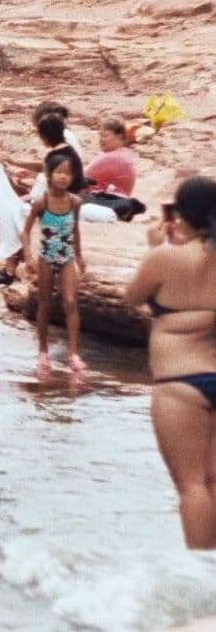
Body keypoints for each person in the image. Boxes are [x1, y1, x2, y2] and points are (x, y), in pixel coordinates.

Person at [126, 176, 216, 548]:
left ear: (180, 214)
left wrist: (157, 246)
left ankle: (202, 584)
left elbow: (132, 297)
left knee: (192, 486)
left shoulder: (166, 257)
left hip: (180, 383)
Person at [22, 149, 87, 379]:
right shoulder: (42, 202)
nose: (63, 177)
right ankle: (42, 351)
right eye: (59, 172)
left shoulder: (75, 202)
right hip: (46, 257)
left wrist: (79, 256)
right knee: (45, 303)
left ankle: (74, 354)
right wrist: (28, 257)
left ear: (73, 178)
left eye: (68, 174)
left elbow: (76, 230)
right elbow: (26, 230)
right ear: (50, 175)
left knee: (70, 301)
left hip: (66, 256)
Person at [84, 118, 137, 197]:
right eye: (100, 135)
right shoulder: (125, 153)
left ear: (119, 136)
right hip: (118, 200)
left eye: (105, 135)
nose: (100, 140)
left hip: (105, 203)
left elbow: (79, 176)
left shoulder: (111, 158)